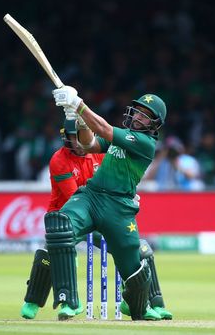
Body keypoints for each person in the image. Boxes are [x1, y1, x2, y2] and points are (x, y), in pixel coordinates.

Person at [20, 119, 172, 320]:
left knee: (139, 249)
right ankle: (46, 301)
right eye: (73, 138)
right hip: (71, 214)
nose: (77, 143)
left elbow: (118, 178)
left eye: (79, 137)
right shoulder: (59, 160)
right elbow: (76, 196)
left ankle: (152, 302)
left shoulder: (100, 151)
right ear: (66, 138)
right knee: (54, 246)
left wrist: (126, 194)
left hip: (103, 214)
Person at [47, 86, 167, 321]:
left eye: (145, 115)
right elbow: (87, 145)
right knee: (61, 225)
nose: (138, 117)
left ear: (154, 124)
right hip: (91, 196)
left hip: (119, 208)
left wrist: (78, 104)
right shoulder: (123, 135)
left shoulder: (144, 143)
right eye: (137, 111)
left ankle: (140, 306)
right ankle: (69, 301)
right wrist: (79, 121)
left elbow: (103, 128)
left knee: (133, 267)